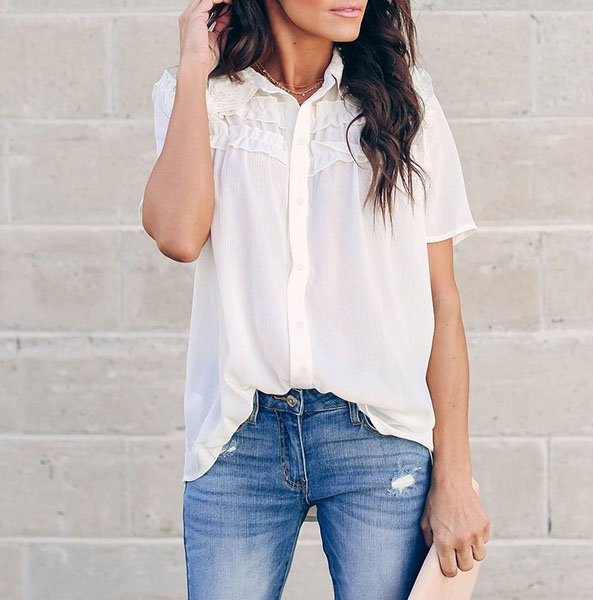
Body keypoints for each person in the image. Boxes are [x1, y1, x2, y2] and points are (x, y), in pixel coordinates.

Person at [140, 0, 490, 598]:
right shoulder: (202, 97)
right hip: (238, 435)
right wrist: (195, 68)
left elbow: (443, 300)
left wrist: (454, 474)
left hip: (378, 435)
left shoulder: (407, 102)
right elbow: (177, 236)